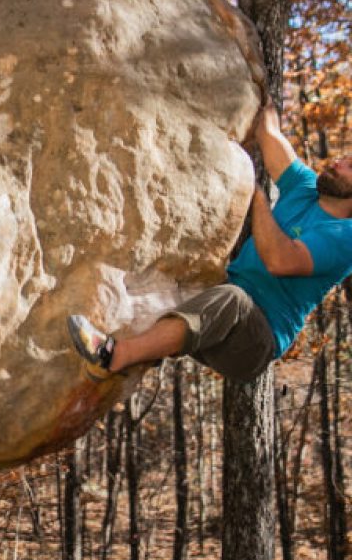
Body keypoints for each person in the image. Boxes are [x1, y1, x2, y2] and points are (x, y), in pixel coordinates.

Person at [68, 102, 352, 382]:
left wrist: (259, 201)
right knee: (169, 284)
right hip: (215, 311)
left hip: (253, 341)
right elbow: (270, 134)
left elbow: (280, 260)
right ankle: (125, 343)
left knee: (233, 299)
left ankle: (114, 357)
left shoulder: (345, 236)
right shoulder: (305, 188)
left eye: (349, 166)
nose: (337, 161)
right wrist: (260, 86)